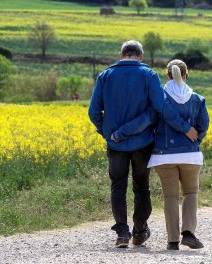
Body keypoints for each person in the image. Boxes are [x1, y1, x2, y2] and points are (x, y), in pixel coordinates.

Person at [88, 41, 198, 248]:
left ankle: (122, 233)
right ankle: (139, 232)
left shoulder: (105, 76)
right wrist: (184, 127)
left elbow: (94, 111)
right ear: (141, 55)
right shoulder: (149, 75)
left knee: (117, 186)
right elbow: (159, 108)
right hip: (143, 143)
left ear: (121, 54)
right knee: (141, 188)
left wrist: (108, 133)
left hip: (115, 144)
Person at [148, 60, 209, 250]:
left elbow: (150, 122)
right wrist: (194, 143)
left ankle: (172, 240)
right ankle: (189, 233)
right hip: (190, 156)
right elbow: (203, 126)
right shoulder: (197, 99)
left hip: (163, 156)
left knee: (170, 197)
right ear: (186, 75)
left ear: (167, 75)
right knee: (191, 193)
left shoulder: (160, 100)